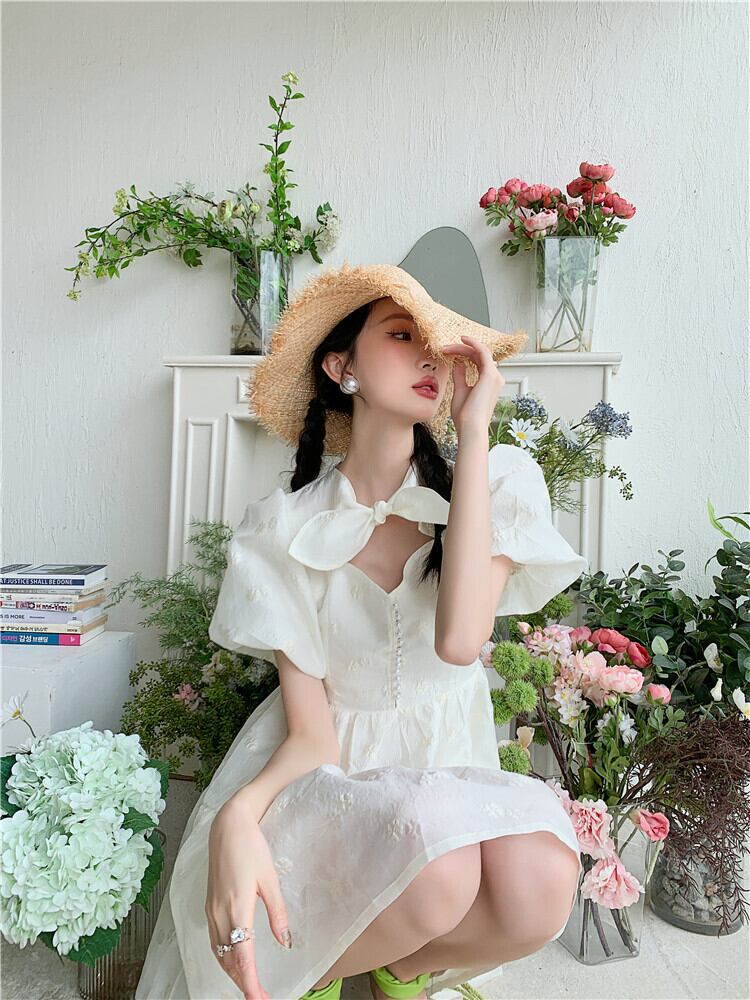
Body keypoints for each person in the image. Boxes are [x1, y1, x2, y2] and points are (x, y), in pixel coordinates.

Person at [135, 262, 589, 1000]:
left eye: (438, 345)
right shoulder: (284, 526)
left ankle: (398, 969)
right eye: (403, 335)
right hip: (332, 772)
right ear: (340, 366)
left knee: (543, 881)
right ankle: (309, 978)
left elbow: (458, 643)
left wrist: (474, 434)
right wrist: (238, 815)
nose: (429, 357)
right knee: (439, 870)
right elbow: (312, 736)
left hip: (447, 761)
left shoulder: (494, 484)